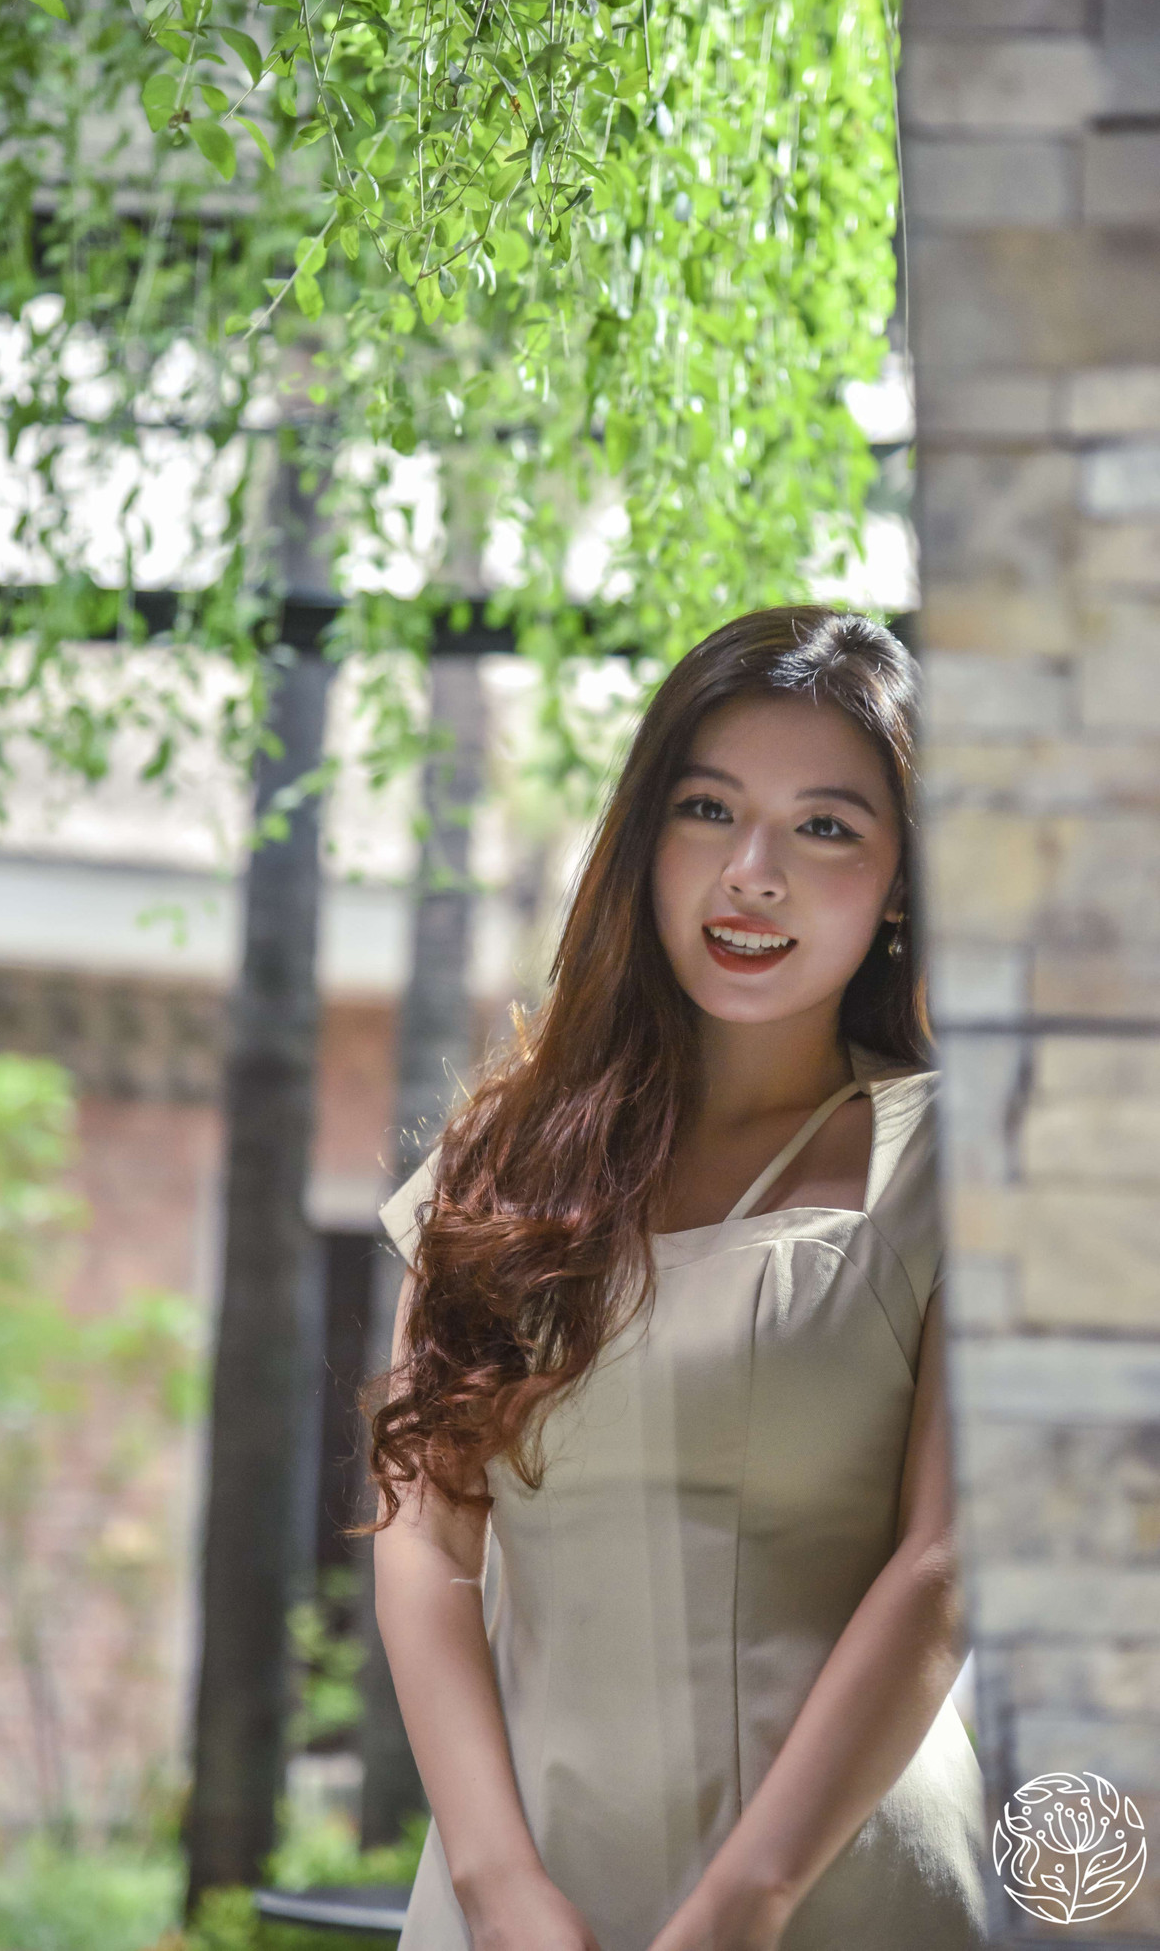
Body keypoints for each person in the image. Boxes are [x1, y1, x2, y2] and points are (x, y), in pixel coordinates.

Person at [364, 606, 990, 1951]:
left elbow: (947, 1560)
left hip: (843, 1891)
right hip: (521, 1895)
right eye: (709, 809)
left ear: (902, 883)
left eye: (826, 827)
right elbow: (424, 1539)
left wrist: (741, 1906)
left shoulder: (958, 1158)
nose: (752, 873)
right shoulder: (499, 1159)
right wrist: (496, 1884)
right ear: (646, 836)